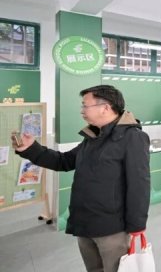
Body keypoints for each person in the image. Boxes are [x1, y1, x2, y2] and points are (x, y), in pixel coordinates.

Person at [11, 85, 150, 272]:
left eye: (85, 105)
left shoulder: (133, 138)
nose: (82, 110)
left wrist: (137, 225)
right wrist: (31, 148)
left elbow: (139, 184)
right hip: (84, 223)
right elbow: (64, 161)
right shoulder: (93, 136)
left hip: (112, 227)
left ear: (105, 107)